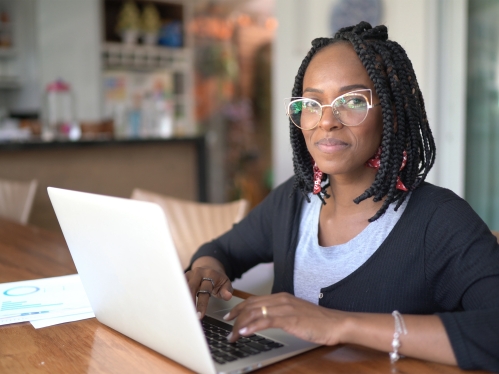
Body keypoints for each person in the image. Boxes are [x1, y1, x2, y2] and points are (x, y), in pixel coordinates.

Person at [185, 22, 499, 372]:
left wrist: (338, 324)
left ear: (391, 115)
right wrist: (205, 270)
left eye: (352, 101)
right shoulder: (294, 199)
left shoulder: (440, 221)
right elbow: (220, 250)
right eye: (312, 103)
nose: (327, 121)